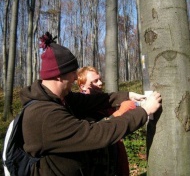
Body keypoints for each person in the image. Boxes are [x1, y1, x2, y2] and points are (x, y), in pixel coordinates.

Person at [20, 32, 162, 176]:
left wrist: (128, 95)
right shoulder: (45, 115)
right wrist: (143, 111)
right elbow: (98, 133)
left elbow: (95, 100)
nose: (76, 78)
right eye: (72, 73)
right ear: (58, 76)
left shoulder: (59, 99)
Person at [77, 66, 137, 175]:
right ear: (83, 86)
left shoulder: (106, 105)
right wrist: (119, 114)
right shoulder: (79, 110)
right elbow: (95, 133)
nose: (100, 83)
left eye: (100, 79)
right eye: (95, 81)